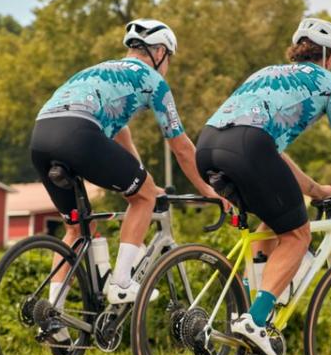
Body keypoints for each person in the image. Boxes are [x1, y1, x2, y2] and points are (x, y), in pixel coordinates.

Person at [196, 17, 331, 355]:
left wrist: (315, 189)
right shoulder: (329, 84)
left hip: (207, 145)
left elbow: (269, 151)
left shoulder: (265, 73)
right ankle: (255, 320)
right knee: (297, 235)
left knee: (272, 221)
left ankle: (249, 315)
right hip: (251, 147)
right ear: (330, 58)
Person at [31, 19, 223, 321]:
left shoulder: (102, 70)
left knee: (78, 228)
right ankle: (121, 283)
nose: (168, 64)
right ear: (159, 52)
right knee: (143, 198)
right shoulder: (153, 81)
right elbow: (182, 148)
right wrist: (209, 191)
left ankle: (53, 315)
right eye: (169, 58)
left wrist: (141, 177)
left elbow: (122, 136)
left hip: (41, 137)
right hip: (79, 135)